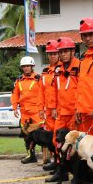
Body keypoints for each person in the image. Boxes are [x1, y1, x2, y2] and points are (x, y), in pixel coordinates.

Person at [45, 37, 81, 184]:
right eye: (61, 52)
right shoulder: (58, 70)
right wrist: (53, 107)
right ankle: (62, 171)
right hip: (61, 112)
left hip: (75, 112)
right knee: (57, 142)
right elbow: (53, 89)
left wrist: (80, 108)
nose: (64, 54)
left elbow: (83, 89)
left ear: (73, 51)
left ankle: (79, 174)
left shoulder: (79, 67)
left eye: (66, 51)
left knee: (76, 144)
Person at [12, 56, 44, 164]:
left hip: (36, 112)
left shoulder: (38, 78)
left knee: (42, 134)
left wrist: (43, 109)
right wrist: (14, 107)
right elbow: (15, 95)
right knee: (26, 136)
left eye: (28, 66)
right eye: (24, 66)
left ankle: (46, 157)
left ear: (32, 66)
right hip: (24, 113)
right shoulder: (19, 80)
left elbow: (43, 94)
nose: (26, 68)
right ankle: (31, 156)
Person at [40, 39, 60, 169]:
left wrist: (56, 108)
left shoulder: (62, 70)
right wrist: (41, 108)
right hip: (48, 111)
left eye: (55, 53)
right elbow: (41, 91)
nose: (53, 56)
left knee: (59, 137)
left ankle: (61, 162)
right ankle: (55, 160)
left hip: (58, 110)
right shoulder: (45, 72)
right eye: (50, 53)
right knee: (51, 138)